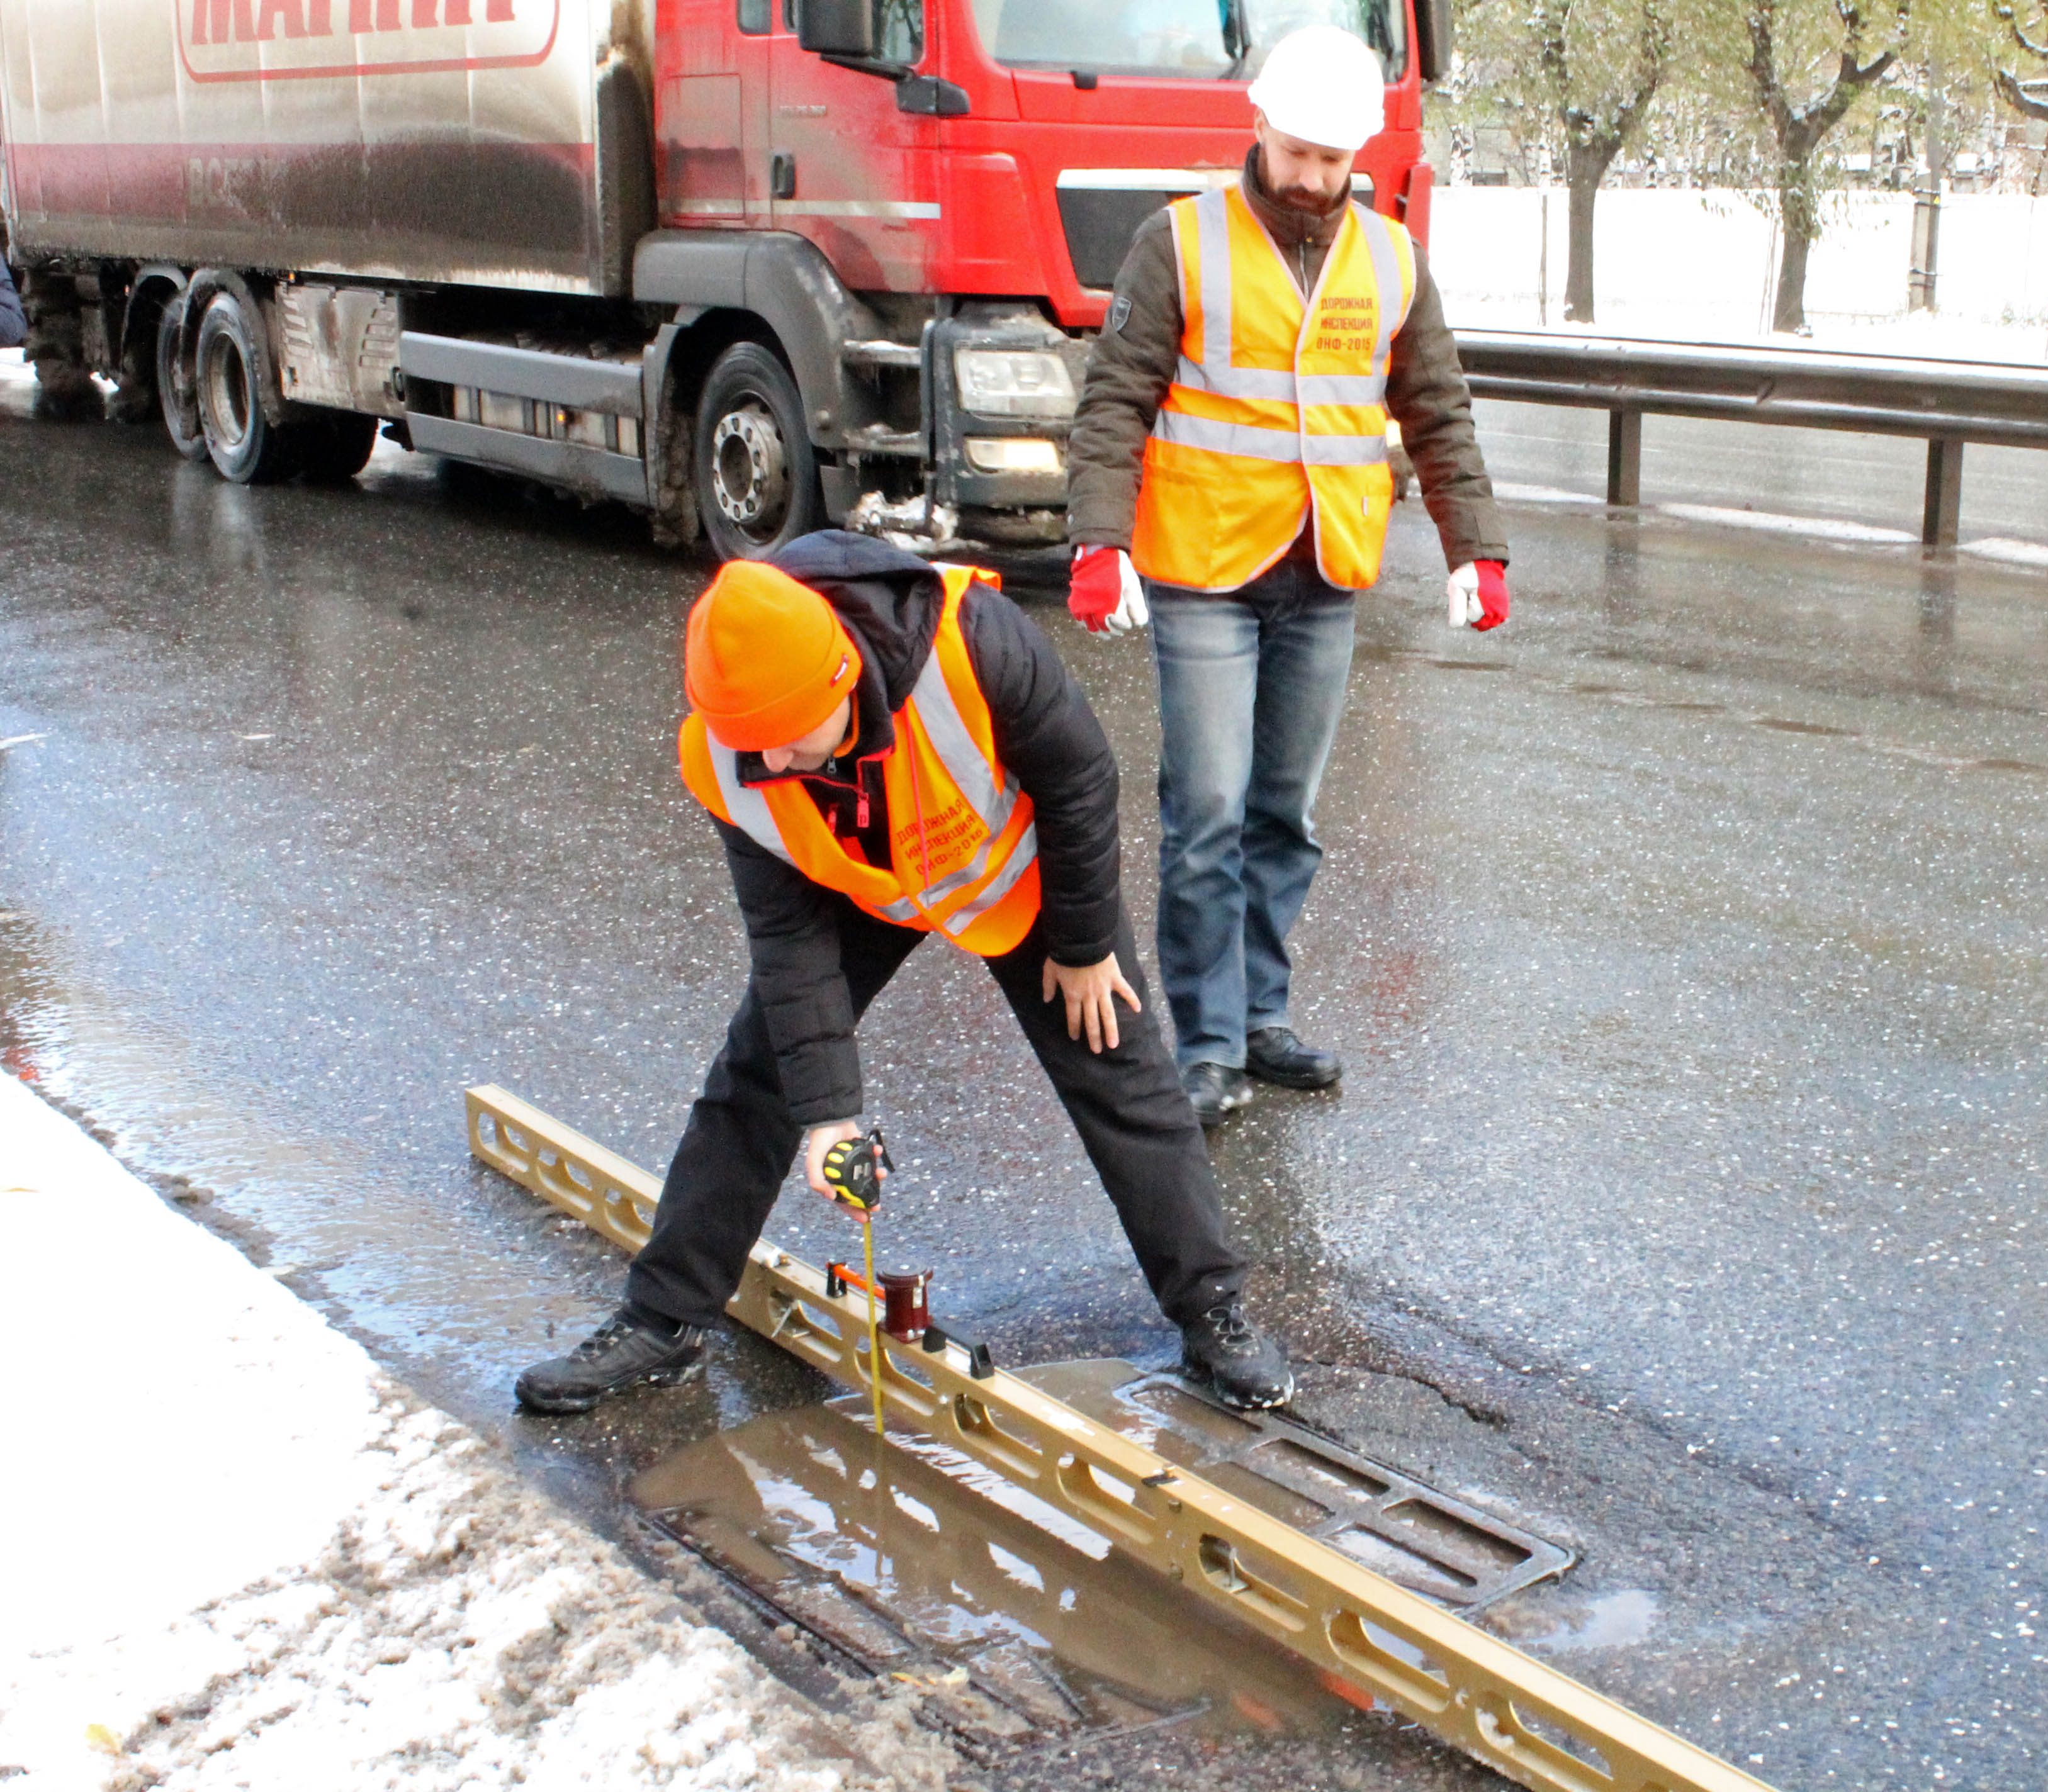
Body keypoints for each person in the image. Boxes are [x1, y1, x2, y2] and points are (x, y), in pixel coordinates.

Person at [516, 532, 1294, 1414]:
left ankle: (1213, 1313)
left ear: (842, 679)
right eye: (748, 746)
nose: (765, 764)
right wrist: (828, 1116)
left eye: (781, 740)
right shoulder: (731, 755)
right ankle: (662, 1321)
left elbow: (1080, 783)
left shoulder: (976, 641)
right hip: (861, 882)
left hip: (1022, 872)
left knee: (1119, 1065)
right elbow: (787, 939)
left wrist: (1081, 948)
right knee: (758, 1076)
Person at [1064, 24, 1511, 1126]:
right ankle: (1207, 1042)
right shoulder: (1181, 244)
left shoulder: (1393, 257)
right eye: (1298, 150)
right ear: (1257, 126)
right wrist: (1097, 541)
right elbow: (1117, 397)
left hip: (1326, 565)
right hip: (1208, 565)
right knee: (1206, 808)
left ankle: (1262, 1016)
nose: (1314, 176)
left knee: (1286, 813)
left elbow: (1436, 409)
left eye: (1334, 157)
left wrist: (1476, 546)